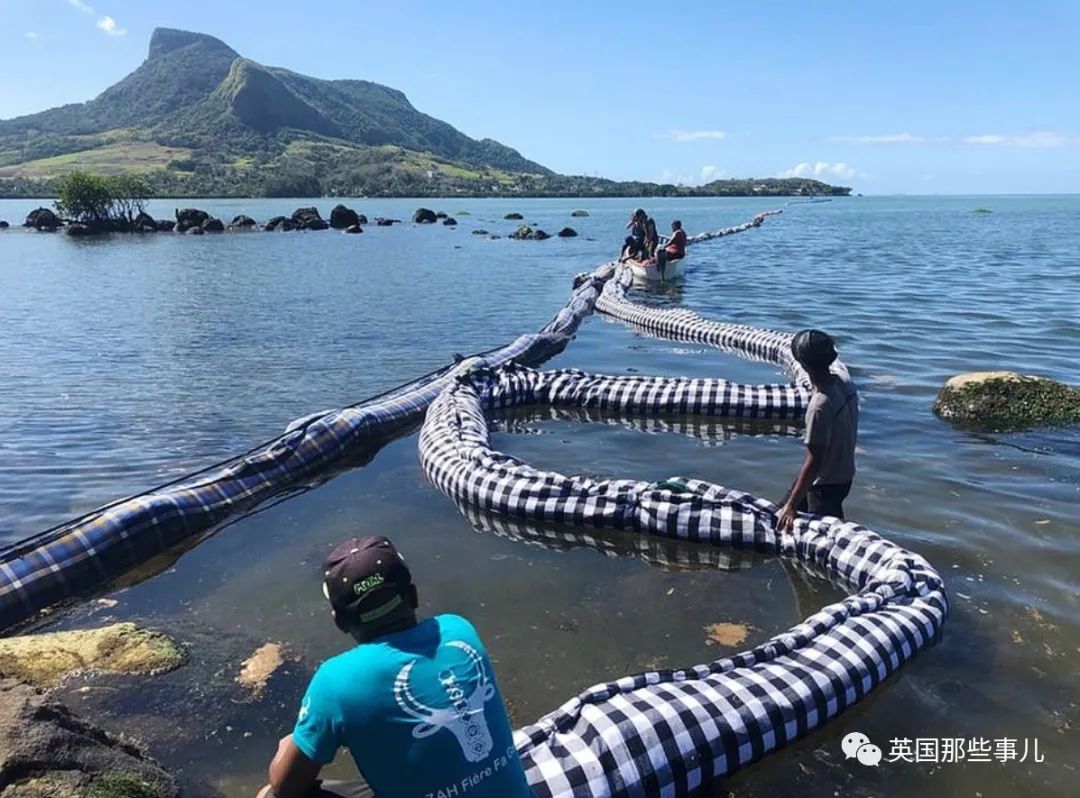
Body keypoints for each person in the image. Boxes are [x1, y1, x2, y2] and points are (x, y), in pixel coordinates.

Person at [257, 536, 533, 798]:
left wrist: (291, 743)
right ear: (412, 595)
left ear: (339, 622)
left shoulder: (335, 683)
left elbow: (285, 788)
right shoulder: (458, 630)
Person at [777, 330, 859, 532]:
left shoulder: (820, 405)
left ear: (803, 365)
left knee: (826, 536)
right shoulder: (844, 382)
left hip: (825, 485)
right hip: (844, 475)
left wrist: (792, 506)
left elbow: (814, 461)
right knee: (778, 515)